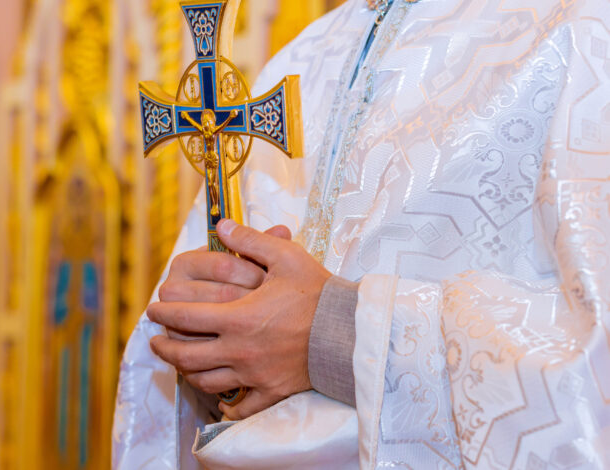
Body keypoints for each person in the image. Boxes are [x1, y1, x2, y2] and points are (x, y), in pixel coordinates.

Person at [114, 0, 610, 468]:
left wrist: (337, 334)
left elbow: (593, 381)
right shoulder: (301, 60)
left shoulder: (581, 32)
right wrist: (211, 337)